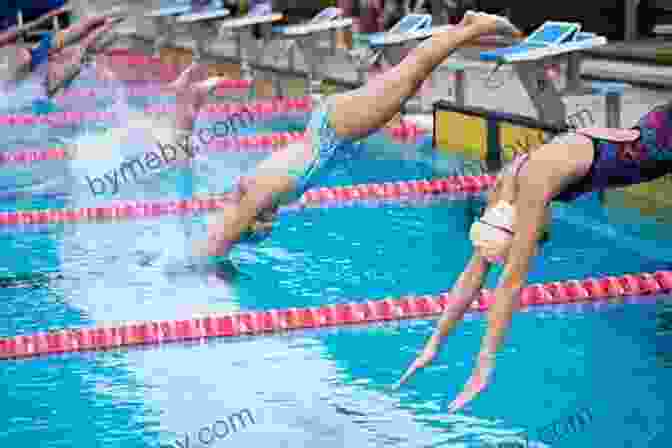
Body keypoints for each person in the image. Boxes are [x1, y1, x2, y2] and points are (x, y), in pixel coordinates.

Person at [395, 101, 672, 412]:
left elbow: (509, 285)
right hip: (645, 131)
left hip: (655, 147)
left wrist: (483, 367)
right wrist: (434, 343)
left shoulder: (531, 191)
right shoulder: (502, 192)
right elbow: (472, 275)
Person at [196, 10, 523, 258]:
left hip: (334, 128)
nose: (269, 227)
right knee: (409, 77)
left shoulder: (258, 196)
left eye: (260, 229)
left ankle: (474, 25)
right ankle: (468, 28)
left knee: (410, 73)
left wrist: (201, 267)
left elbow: (216, 244)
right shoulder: (258, 191)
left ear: (250, 221)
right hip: (332, 126)